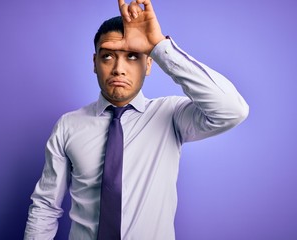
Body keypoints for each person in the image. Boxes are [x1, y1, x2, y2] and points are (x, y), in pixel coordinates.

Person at [24, 0, 249, 239]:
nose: (119, 68)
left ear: (149, 64)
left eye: (132, 56)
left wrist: (160, 47)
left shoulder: (171, 115)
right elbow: (45, 206)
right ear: (94, 63)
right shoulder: (68, 125)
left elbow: (232, 110)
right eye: (108, 56)